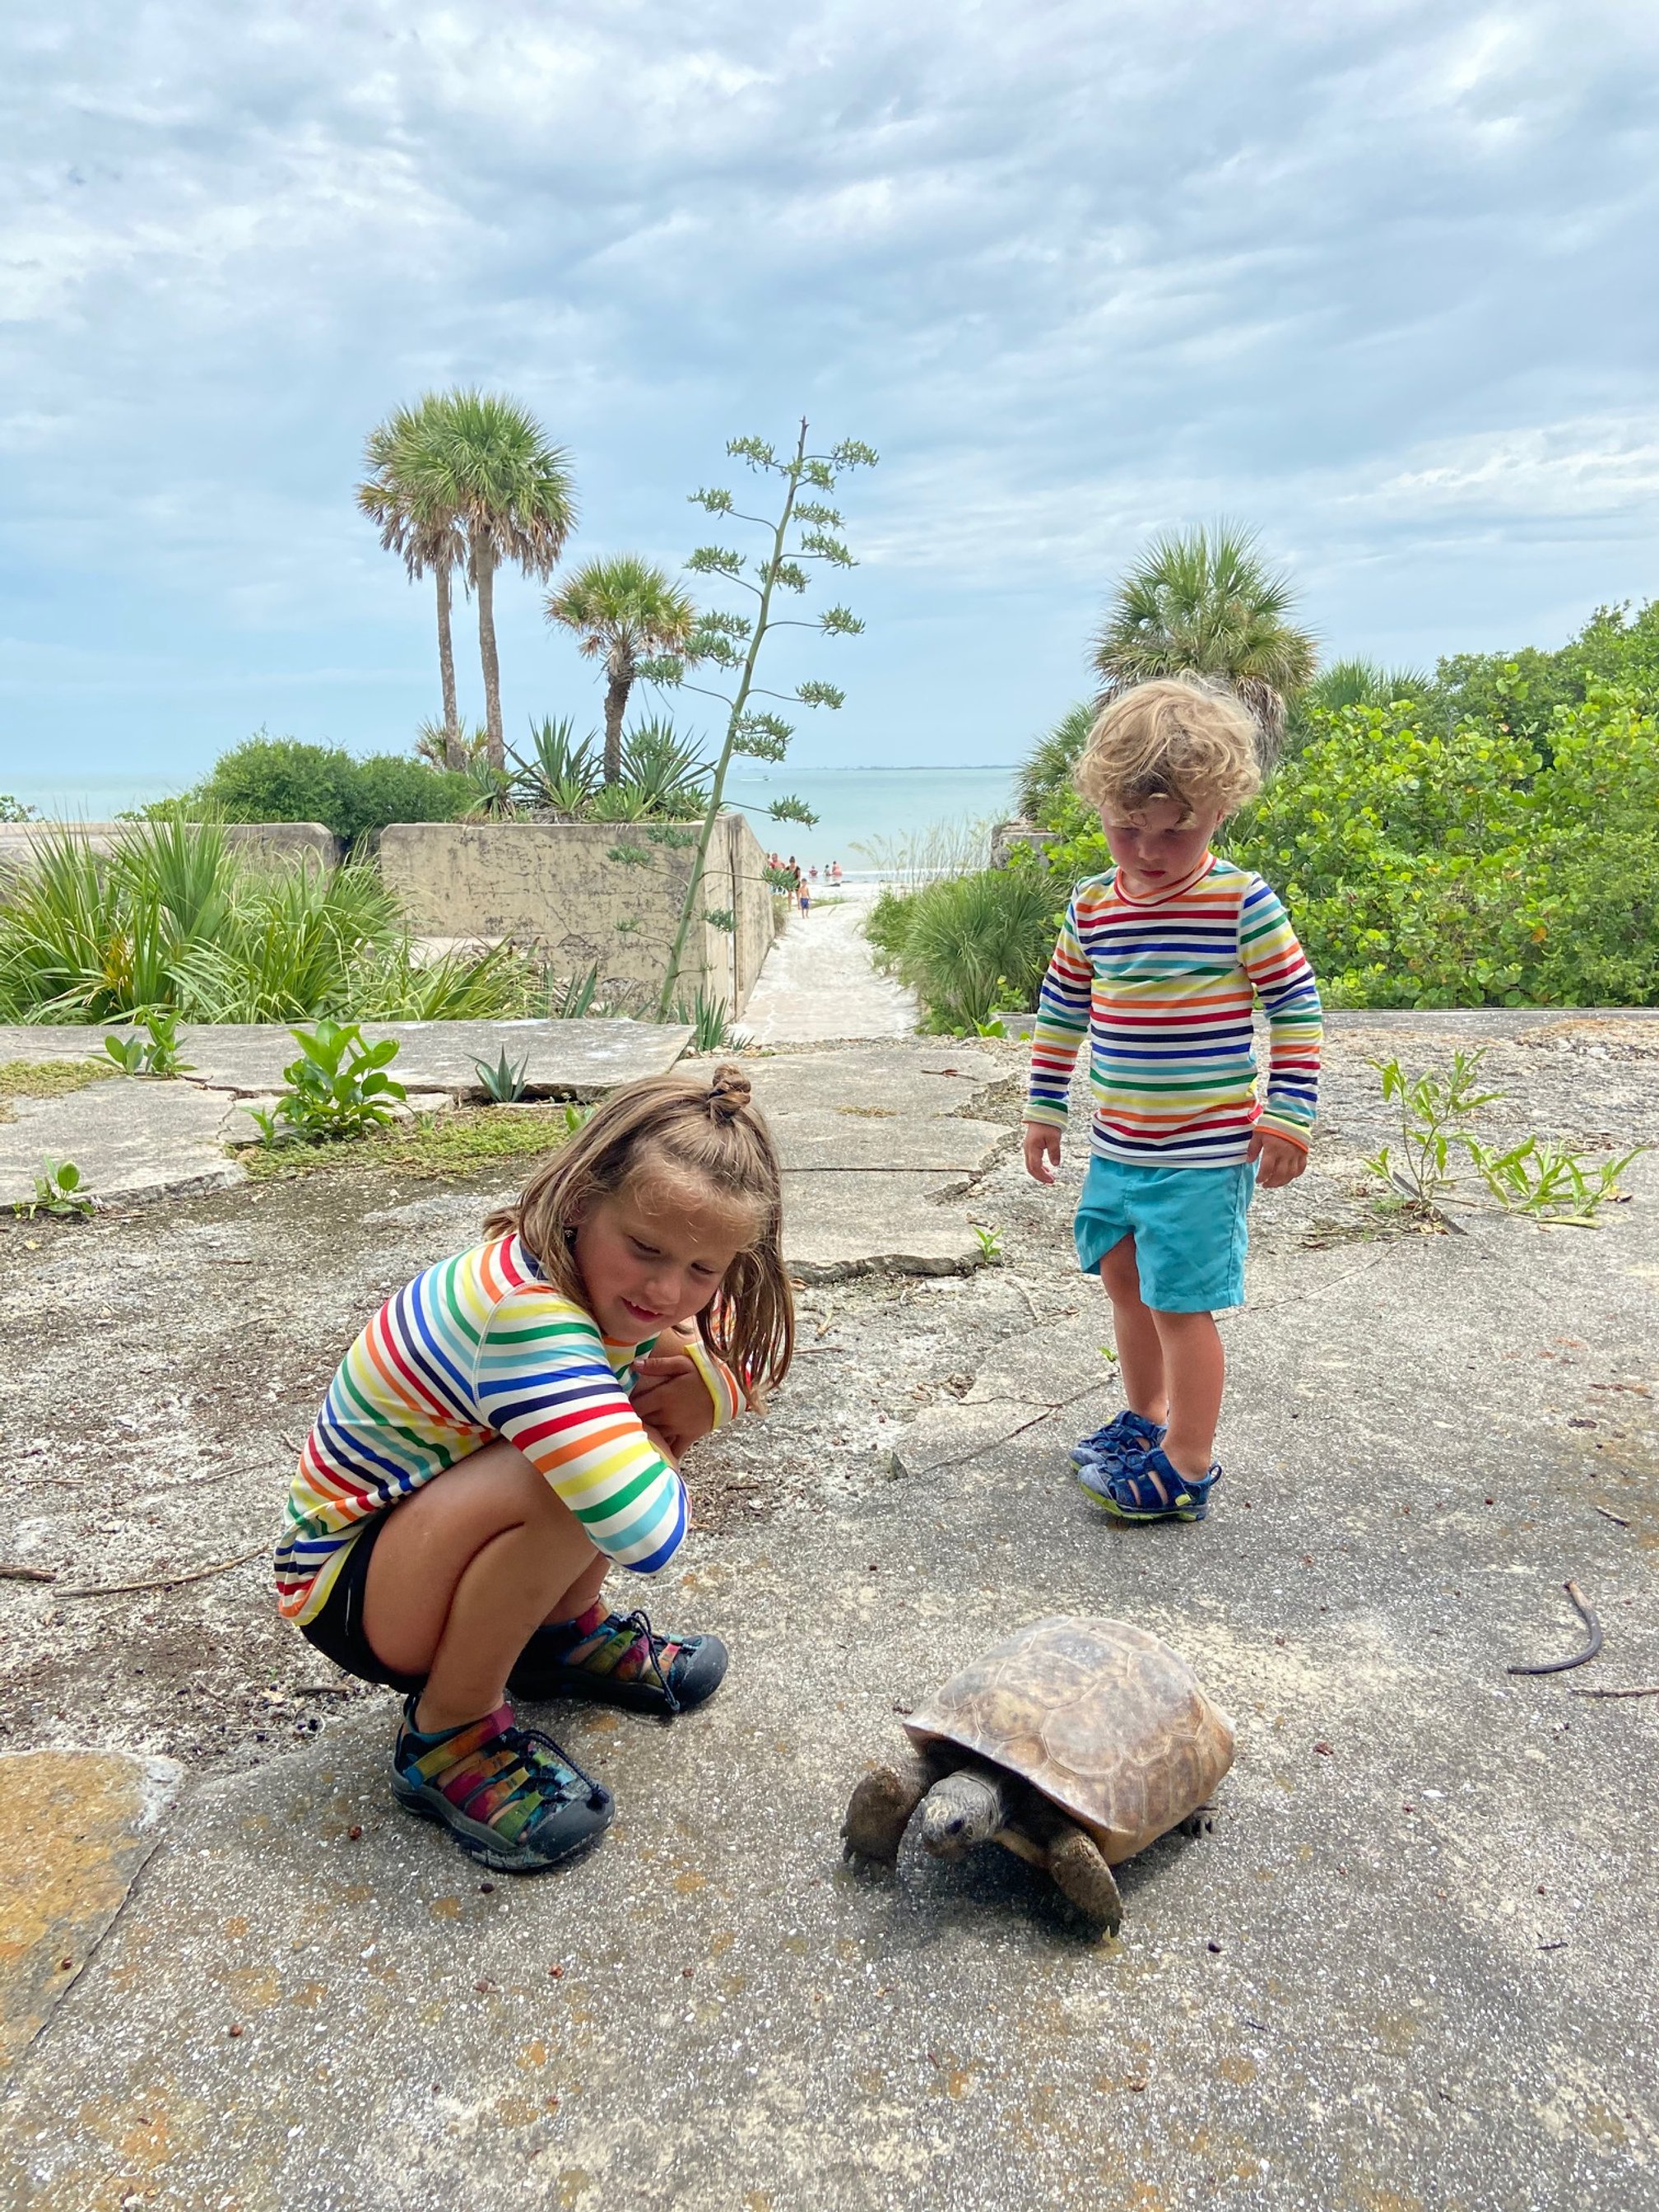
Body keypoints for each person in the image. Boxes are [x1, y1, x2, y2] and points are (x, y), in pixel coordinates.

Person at [275, 1065, 792, 1873]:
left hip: (421, 1545)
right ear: (582, 1202)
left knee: (614, 1426)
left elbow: (757, 1331)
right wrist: (656, 1430)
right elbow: (644, 1534)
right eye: (646, 1248)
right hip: (353, 1589)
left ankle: (557, 1634)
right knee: (569, 1480)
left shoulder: (596, 1273)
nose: (667, 1288)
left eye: (704, 1268)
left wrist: (709, 1389)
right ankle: (448, 1731)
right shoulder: (526, 1316)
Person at [1022, 678, 1321, 1525]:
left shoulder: (1239, 902)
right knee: (1123, 1280)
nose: (1148, 851)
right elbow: (1062, 1008)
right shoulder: (1092, 906)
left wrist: (1289, 1112)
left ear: (1221, 811)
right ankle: (1146, 1416)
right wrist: (1045, 1107)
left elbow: (1295, 1004)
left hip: (1202, 1153)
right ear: (1099, 806)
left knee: (1181, 1304)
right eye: (1127, 829)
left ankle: (1188, 1462)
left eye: (1174, 832)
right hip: (1119, 1145)